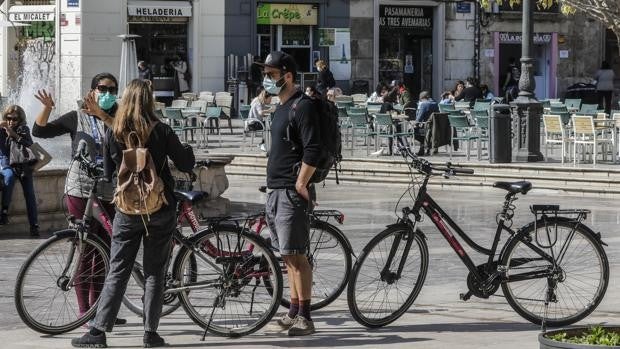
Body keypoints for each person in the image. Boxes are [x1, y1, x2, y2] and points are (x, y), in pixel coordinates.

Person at [71, 79, 195, 348]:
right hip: (160, 208)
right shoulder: (161, 130)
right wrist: (187, 152)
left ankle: (98, 332)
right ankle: (150, 333)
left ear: (124, 99)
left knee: (118, 269)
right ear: (150, 100)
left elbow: (107, 174)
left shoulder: (112, 131)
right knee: (155, 272)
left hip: (127, 210)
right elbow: (185, 164)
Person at [33, 73, 124, 324]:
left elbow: (128, 141)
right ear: (92, 90)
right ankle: (85, 312)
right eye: (102, 88)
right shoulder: (77, 117)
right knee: (85, 249)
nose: (107, 93)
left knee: (106, 250)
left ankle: (102, 309)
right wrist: (47, 109)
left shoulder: (117, 117)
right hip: (80, 189)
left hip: (110, 189)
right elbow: (40, 131)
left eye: (112, 89)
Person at [259, 51, 320, 336]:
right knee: (287, 256)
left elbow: (313, 149)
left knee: (297, 257)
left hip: (290, 191)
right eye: (266, 74)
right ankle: (293, 310)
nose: (266, 80)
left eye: (271, 75)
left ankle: (306, 318)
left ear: (288, 76)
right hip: (276, 190)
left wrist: (300, 184)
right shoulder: (281, 107)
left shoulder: (302, 106)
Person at [0, 105, 39, 236]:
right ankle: (4, 212)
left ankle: (34, 226)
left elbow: (29, 145)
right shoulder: (1, 129)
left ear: (20, 119)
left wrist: (14, 135)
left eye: (15, 119)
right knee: (9, 178)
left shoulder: (23, 129)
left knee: (29, 194)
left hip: (22, 165)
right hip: (7, 163)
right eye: (8, 118)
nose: (11, 121)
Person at [414, 91, 439, 156]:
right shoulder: (435, 104)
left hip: (426, 127)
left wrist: (415, 125)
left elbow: (419, 119)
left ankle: (423, 146)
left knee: (413, 131)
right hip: (435, 127)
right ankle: (425, 147)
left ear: (422, 98)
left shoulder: (423, 105)